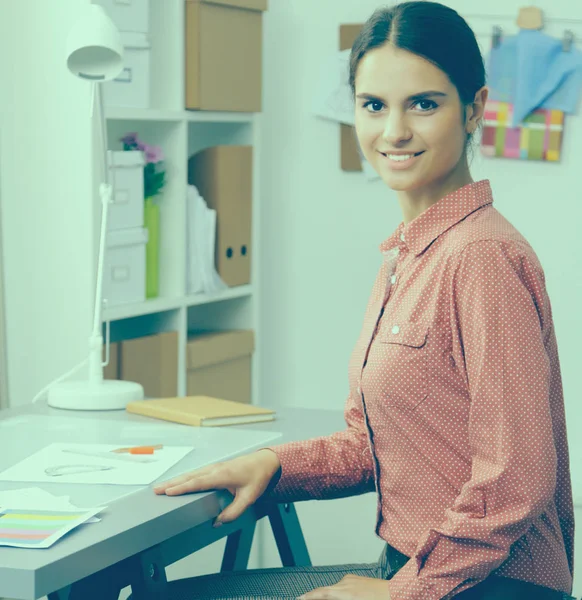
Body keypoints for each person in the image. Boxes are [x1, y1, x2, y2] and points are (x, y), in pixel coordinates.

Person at [153, 2, 575, 599]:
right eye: (373, 105)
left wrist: (400, 594)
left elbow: (518, 480)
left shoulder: (480, 257)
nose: (394, 131)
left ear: (474, 109)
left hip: (482, 585)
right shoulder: (410, 254)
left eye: (423, 104)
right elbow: (373, 445)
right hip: (421, 571)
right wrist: (276, 465)